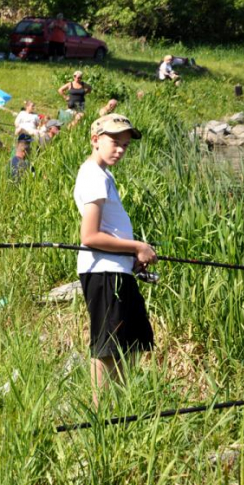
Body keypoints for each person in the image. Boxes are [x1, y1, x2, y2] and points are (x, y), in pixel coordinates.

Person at [74, 113, 157, 408]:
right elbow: (90, 236)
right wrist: (137, 246)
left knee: (130, 343)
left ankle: (120, 409)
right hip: (103, 273)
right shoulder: (93, 176)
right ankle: (101, 414)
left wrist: (132, 256)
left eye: (125, 145)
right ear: (96, 140)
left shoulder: (104, 175)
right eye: (114, 142)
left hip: (117, 270)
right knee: (107, 348)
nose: (120, 149)